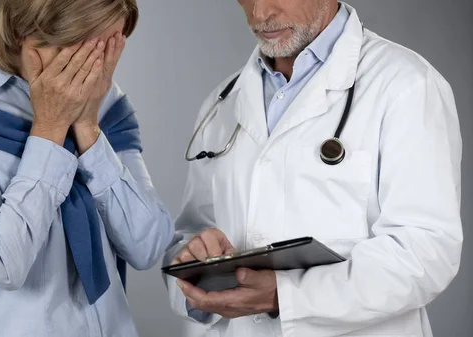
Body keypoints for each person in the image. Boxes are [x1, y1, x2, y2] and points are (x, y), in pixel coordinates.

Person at [164, 1, 462, 336]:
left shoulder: (406, 84)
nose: (260, 14)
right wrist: (194, 271)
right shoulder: (223, 102)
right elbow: (192, 235)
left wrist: (287, 295)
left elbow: (427, 253)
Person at [0, 0, 174, 336]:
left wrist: (88, 128)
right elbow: (4, 263)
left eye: (111, 47)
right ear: (24, 35)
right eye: (84, 48)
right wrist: (50, 127)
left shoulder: (107, 104)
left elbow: (147, 246)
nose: (96, 66)